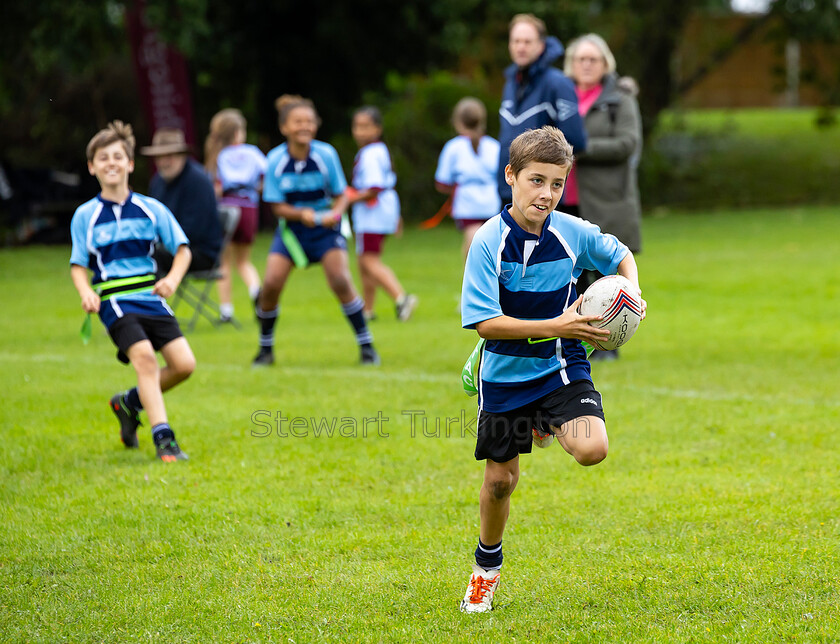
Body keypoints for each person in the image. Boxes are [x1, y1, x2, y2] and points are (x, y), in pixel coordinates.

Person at [458, 126, 646, 613]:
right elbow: (484, 324)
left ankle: (547, 419)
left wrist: (632, 293)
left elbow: (619, 252)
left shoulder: (570, 231)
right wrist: (557, 322)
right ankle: (486, 568)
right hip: (502, 373)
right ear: (511, 177)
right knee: (501, 482)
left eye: (557, 184)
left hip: (561, 364)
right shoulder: (487, 242)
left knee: (592, 448)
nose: (546, 194)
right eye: (536, 181)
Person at [70, 121, 195, 462]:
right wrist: (86, 292)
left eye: (118, 156)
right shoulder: (86, 215)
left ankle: (129, 402)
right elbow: (78, 264)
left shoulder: (151, 208)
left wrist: (172, 280)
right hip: (115, 300)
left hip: (151, 297)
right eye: (103, 157)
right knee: (145, 359)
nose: (111, 162)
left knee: (184, 365)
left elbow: (183, 248)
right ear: (92, 167)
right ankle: (165, 441)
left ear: (130, 164)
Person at [253, 95, 379, 367]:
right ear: (284, 127)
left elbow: (342, 194)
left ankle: (367, 346)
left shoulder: (326, 154)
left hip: (326, 231)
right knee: (271, 284)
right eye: (298, 122)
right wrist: (302, 215)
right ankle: (265, 350)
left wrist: (335, 213)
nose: (304, 127)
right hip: (292, 233)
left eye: (309, 122)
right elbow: (276, 206)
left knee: (340, 280)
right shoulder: (275, 159)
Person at [564, 33, 643, 360]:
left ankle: (608, 343)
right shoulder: (562, 97)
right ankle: (575, 337)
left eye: (592, 59)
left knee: (605, 271)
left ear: (605, 63)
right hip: (565, 196)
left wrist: (581, 150)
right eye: (580, 59)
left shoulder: (620, 100)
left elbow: (627, 143)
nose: (586, 65)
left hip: (605, 198)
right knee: (572, 272)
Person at [497, 13, 587, 205]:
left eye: (527, 41)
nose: (521, 47)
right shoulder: (511, 84)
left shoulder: (558, 83)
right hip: (509, 189)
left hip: (542, 196)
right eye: (516, 41)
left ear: (541, 45)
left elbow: (575, 141)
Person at [347, 106, 417, 322]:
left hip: (373, 212)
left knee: (369, 261)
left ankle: (401, 298)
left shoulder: (370, 154)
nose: (360, 131)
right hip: (381, 210)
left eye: (366, 126)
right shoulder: (378, 150)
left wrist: (346, 199)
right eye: (357, 126)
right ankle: (367, 310)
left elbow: (373, 188)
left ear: (377, 129)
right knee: (365, 260)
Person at [204, 108, 266, 323]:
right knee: (244, 261)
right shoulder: (253, 153)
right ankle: (256, 292)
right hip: (248, 207)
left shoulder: (218, 156)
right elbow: (265, 179)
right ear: (239, 132)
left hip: (226, 208)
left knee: (224, 263)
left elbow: (215, 187)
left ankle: (226, 310)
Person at [141, 128, 222, 277]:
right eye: (159, 157)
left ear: (182, 155)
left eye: (169, 156)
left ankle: (152, 299)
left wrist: (159, 241)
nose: (163, 162)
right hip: (168, 247)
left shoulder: (198, 181)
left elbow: (195, 231)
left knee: (150, 256)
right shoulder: (157, 182)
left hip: (200, 252)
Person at [435, 97, 501, 263]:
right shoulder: (494, 146)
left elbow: (442, 182)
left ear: (457, 122)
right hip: (491, 201)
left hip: (466, 203)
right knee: (491, 244)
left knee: (471, 241)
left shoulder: (453, 147)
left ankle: (472, 282)